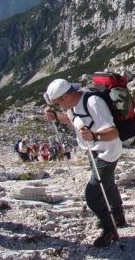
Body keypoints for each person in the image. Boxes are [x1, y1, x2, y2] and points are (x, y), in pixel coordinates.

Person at [43, 79, 126, 248]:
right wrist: (56, 117)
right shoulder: (73, 105)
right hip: (93, 151)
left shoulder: (93, 102)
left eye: (58, 102)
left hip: (107, 152)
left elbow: (113, 132)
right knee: (107, 185)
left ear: (66, 96)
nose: (58, 105)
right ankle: (118, 216)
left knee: (93, 194)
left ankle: (110, 229)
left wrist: (95, 136)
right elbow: (72, 120)